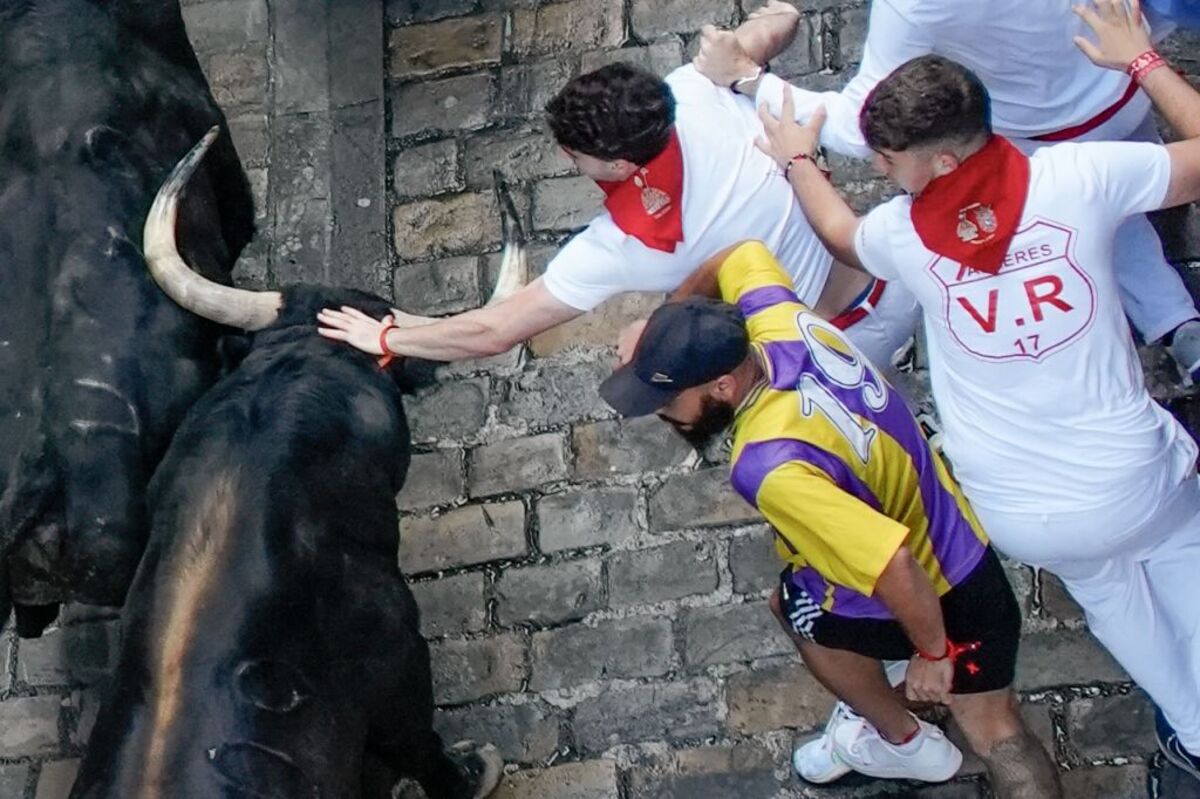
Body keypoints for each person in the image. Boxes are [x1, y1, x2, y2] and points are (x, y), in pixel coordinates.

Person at [754, 0, 1200, 782]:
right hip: (1136, 479)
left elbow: (837, 231)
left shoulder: (900, 236)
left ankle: (1195, 734)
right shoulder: (1081, 176)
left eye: (889, 159)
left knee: (1113, 603)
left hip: (1024, 512)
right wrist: (1142, 61)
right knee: (1180, 573)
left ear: (941, 165)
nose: (880, 170)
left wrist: (799, 161)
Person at [600, 240, 1061, 796]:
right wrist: (661, 331)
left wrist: (933, 656)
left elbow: (894, 563)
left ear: (723, 387)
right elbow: (739, 254)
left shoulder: (767, 464)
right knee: (999, 733)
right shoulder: (777, 317)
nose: (662, 415)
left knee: (793, 609)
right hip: (964, 549)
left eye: (667, 401)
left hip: (921, 591)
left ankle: (903, 743)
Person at [316, 3, 919, 375]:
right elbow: (783, 18)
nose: (567, 157)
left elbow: (493, 331)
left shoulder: (623, 248)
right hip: (894, 271)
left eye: (573, 154)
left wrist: (388, 335)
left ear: (618, 167)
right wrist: (742, 42)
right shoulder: (696, 87)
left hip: (838, 351)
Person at [691, 0, 1200, 382]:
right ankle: (1177, 322)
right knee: (1129, 185)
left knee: (1103, 217)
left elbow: (853, 126)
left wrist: (749, 77)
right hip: (1124, 81)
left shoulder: (913, 7)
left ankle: (1174, 325)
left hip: (1039, 131)